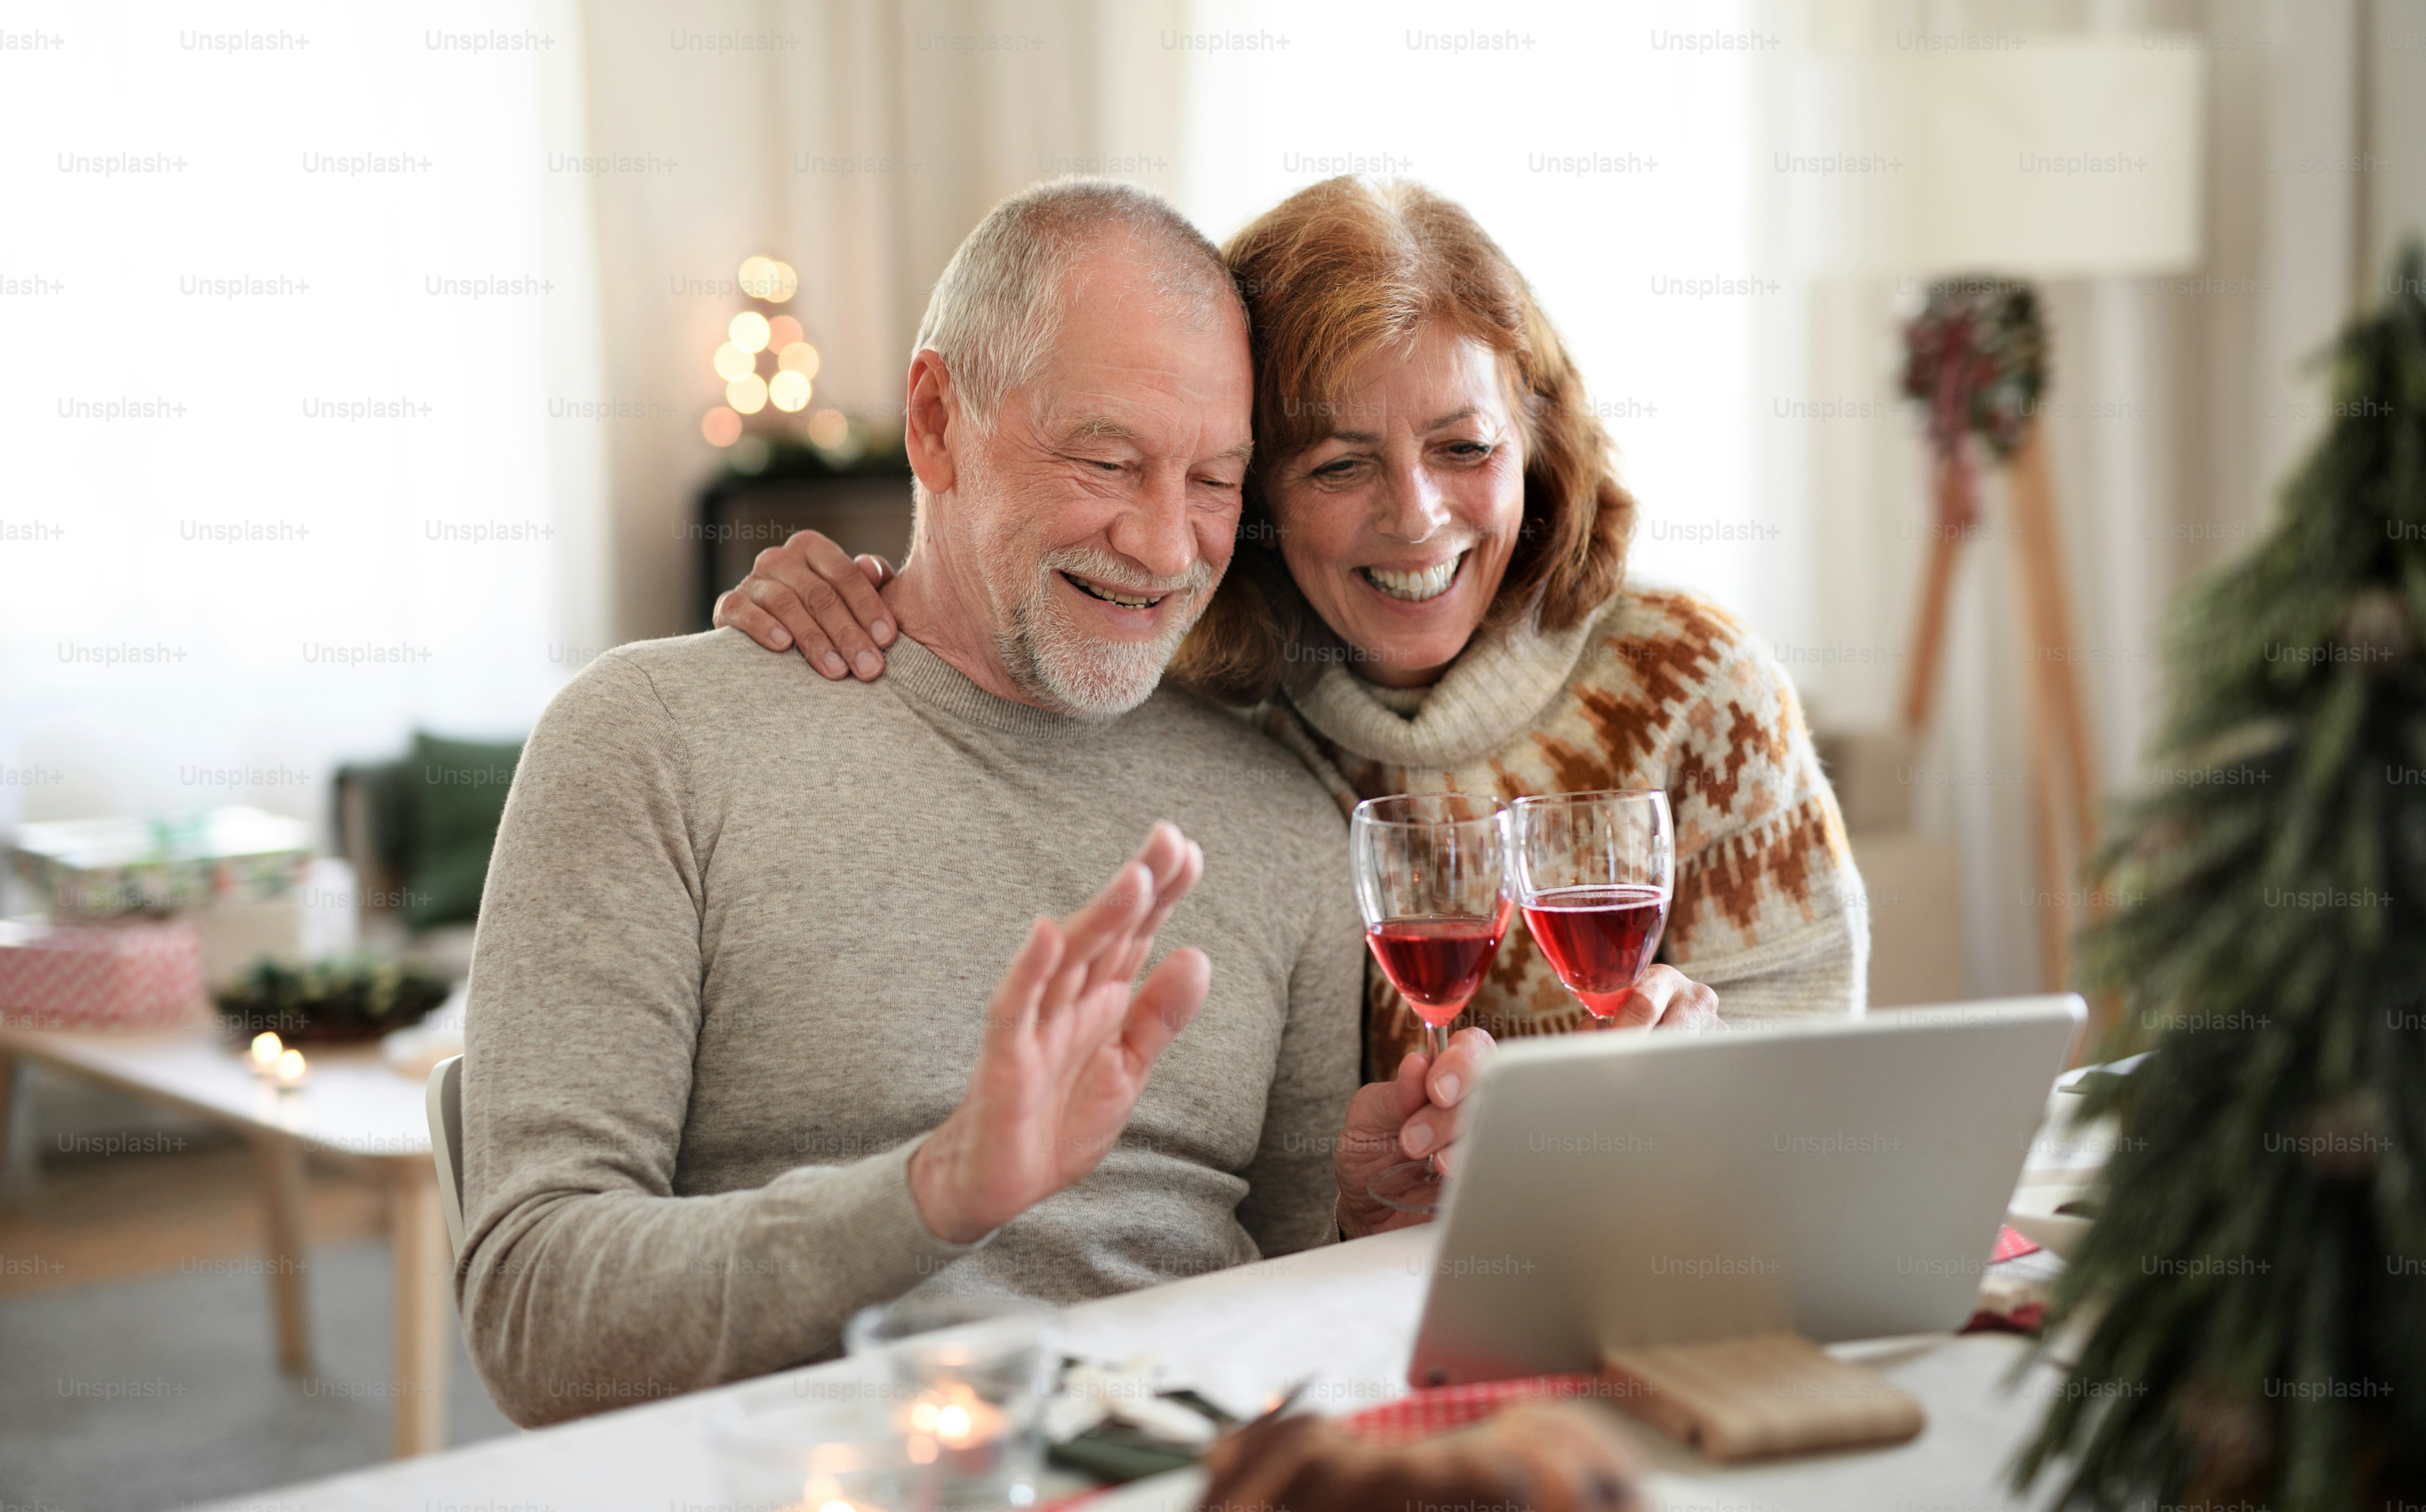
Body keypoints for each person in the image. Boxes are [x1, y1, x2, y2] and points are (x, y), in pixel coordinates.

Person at [458, 180, 1488, 1430]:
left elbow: (1281, 1304)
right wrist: (933, 1193)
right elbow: (535, 1316)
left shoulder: (1282, 823)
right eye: (1106, 462)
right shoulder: (653, 743)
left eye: (1214, 481)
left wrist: (1366, 1222)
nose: (1166, 547)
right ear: (937, 423)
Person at [717, 177, 1867, 1079]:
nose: (1416, 519)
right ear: (1253, 488)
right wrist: (848, 609)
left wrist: (1714, 1079)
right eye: (1338, 464)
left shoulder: (1693, 684)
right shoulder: (1199, 699)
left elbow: (1823, 1104)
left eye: (1465, 448)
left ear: (1538, 442)